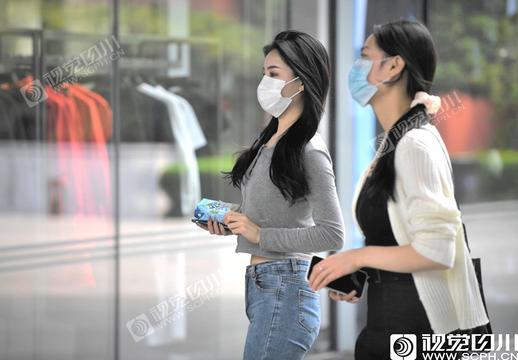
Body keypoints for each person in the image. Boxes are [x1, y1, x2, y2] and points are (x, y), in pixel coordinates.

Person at [308, 20, 489, 359]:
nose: (356, 68)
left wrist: (356, 256)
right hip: (392, 324)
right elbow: (402, 238)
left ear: (393, 66)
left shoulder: (414, 145)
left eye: (365, 56)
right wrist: (362, 272)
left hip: (424, 334)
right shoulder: (395, 142)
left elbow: (437, 251)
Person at [194, 30, 345, 359]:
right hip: (264, 285)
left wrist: (259, 233)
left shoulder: (309, 150)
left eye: (274, 75)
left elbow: (333, 233)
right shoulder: (270, 141)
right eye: (264, 74)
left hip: (286, 287)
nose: (265, 83)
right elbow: (268, 215)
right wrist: (231, 220)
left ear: (301, 82)